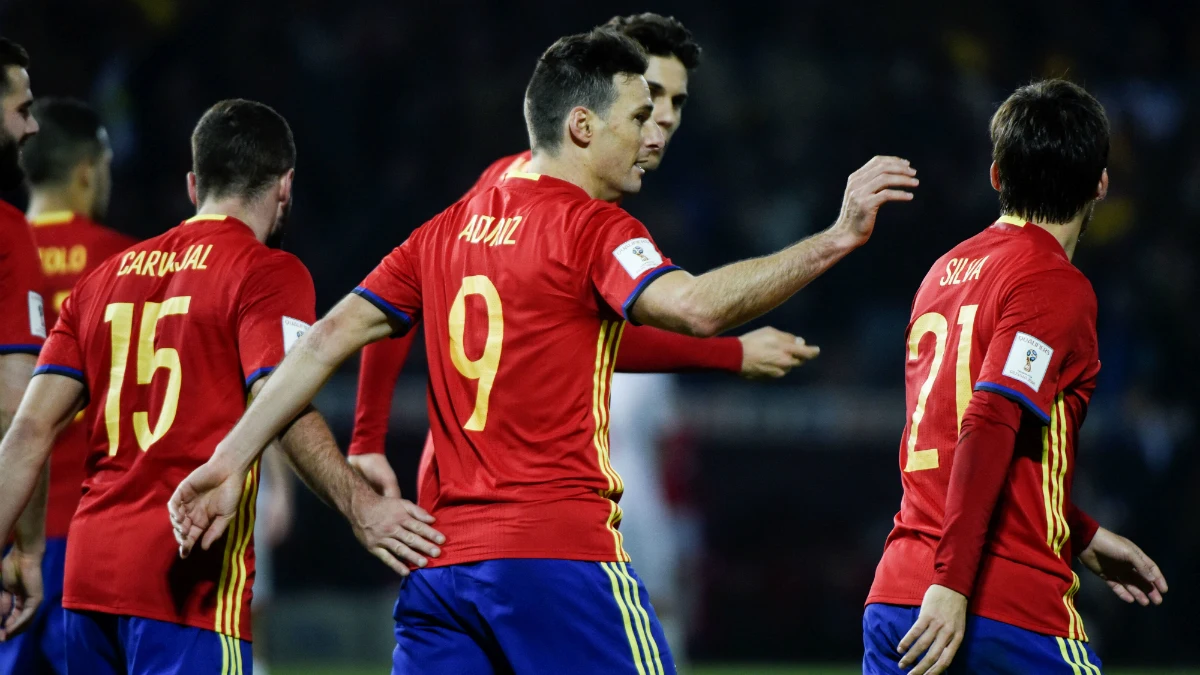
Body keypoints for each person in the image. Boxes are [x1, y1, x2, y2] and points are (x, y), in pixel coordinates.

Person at [171, 29, 915, 674]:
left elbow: (328, 337)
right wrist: (837, 236)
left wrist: (227, 460)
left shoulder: (449, 226)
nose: (652, 133)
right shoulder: (592, 228)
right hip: (557, 562)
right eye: (638, 114)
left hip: (440, 568)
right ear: (583, 127)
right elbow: (693, 306)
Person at [0, 99, 444, 674]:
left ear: (193, 184)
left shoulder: (103, 280)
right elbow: (279, 396)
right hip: (186, 573)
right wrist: (361, 507)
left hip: (87, 581)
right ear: (285, 186)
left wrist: (14, 546)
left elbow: (28, 428)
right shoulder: (267, 271)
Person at [346, 13, 813, 500]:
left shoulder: (555, 194)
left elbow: (585, 333)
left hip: (495, 496)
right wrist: (366, 437)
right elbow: (396, 301)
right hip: (509, 495)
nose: (667, 115)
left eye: (677, 101)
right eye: (650, 94)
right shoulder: (537, 201)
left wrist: (731, 354)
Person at [862, 80, 1169, 675]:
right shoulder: (1053, 283)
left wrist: (1077, 533)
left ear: (997, 175)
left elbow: (957, 440)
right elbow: (990, 419)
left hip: (897, 597)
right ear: (1100, 184)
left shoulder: (943, 273)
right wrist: (954, 585)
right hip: (996, 608)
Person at [0, 96, 136, 675]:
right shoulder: (130, 266)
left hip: (9, 523)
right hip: (95, 540)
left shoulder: (6, 252)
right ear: (88, 170)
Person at [0, 36, 45, 661]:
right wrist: (26, 546)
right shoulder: (9, 235)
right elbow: (19, 409)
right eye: (21, 108)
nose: (33, 125)